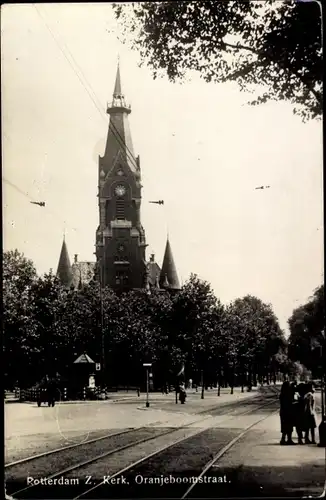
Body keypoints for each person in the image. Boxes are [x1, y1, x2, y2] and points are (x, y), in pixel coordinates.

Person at [279, 380, 295, 445]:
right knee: (289, 425)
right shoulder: (288, 394)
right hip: (288, 411)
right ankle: (288, 439)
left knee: (284, 426)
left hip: (283, 412)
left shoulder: (282, 394)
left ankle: (283, 439)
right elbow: (290, 402)